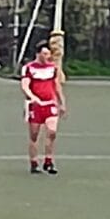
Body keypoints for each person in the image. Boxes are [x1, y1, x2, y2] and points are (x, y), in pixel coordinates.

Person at [21, 43, 65, 175]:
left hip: (50, 103)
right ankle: (34, 162)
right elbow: (25, 86)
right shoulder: (28, 68)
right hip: (35, 106)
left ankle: (49, 161)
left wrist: (62, 102)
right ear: (38, 54)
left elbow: (57, 86)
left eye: (48, 54)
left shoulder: (53, 68)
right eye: (45, 54)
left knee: (52, 132)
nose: (47, 56)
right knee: (34, 135)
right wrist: (33, 97)